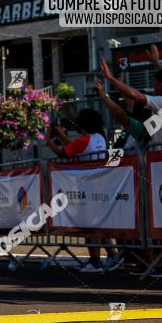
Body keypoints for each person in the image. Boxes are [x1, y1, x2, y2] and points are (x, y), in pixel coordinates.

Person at [45, 108, 122, 273]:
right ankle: (113, 255)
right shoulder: (99, 137)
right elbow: (74, 149)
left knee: (89, 225)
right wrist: (61, 136)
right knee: (99, 224)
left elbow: (64, 153)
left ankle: (95, 261)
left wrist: (49, 141)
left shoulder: (85, 139)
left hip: (87, 188)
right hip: (100, 186)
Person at [100, 59, 162, 144]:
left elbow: (135, 97)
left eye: (154, 82)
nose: (152, 85)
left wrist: (110, 78)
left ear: (160, 85)